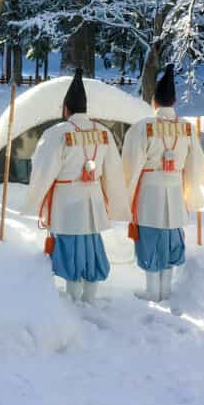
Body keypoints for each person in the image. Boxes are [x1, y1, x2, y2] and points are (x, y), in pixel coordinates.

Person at [23, 69, 129, 303]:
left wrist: (34, 200)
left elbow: (42, 168)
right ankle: (90, 297)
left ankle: (73, 298)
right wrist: (116, 202)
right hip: (93, 198)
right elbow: (113, 171)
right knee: (91, 245)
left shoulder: (57, 133)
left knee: (70, 246)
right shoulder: (103, 133)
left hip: (67, 199)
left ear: (65, 109)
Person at [121, 64, 204, 302]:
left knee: (150, 237)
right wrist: (192, 195)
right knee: (171, 238)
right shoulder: (186, 129)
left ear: (154, 102)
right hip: (174, 192)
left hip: (149, 193)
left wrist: (124, 196)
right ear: (174, 102)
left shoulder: (143, 127)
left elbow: (130, 165)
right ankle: (165, 290)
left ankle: (152, 291)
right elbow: (194, 166)